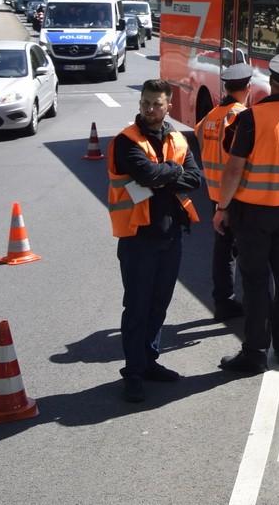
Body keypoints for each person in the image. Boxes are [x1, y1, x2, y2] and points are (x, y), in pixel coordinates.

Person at [213, 53, 279, 373]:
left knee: (256, 282)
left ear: (270, 82)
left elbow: (234, 170)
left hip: (253, 215)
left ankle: (255, 353)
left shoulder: (250, 118)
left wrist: (221, 208)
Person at [107, 79, 203, 403]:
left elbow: (196, 179)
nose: (150, 109)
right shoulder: (126, 141)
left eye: (157, 104)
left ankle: (149, 362)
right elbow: (146, 175)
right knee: (137, 307)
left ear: (168, 106)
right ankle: (133, 373)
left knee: (159, 305)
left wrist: (165, 174)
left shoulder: (177, 138)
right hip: (138, 239)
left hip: (170, 237)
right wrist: (172, 173)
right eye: (146, 103)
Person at [195, 63, 252, 322]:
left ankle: (223, 301)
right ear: (248, 88)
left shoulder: (210, 117)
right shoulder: (239, 116)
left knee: (223, 249)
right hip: (236, 196)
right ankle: (243, 304)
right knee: (244, 251)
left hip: (214, 193)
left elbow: (200, 143)